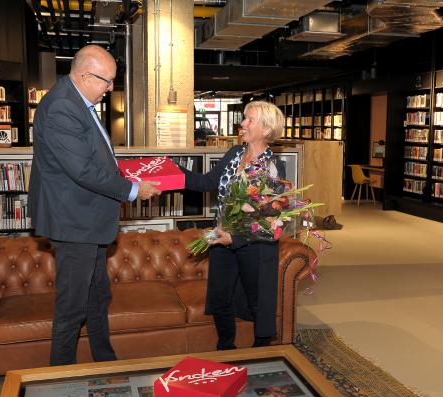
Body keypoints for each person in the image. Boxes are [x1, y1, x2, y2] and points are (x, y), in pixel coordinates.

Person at [28, 45, 161, 366]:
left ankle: (105, 360)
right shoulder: (62, 106)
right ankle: (60, 378)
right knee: (72, 307)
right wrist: (132, 189)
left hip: (87, 221)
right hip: (74, 222)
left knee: (98, 297)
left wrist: (123, 175)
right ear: (85, 75)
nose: (111, 88)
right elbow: (82, 170)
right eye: (107, 80)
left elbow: (93, 158)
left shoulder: (78, 101)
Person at [182, 100, 286, 350]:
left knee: (257, 302)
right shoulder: (234, 154)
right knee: (219, 299)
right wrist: (169, 171)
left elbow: (267, 218)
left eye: (250, 120)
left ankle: (261, 353)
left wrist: (235, 238)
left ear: (267, 130)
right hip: (221, 239)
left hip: (254, 246)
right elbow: (206, 182)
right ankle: (225, 347)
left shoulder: (272, 168)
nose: (243, 124)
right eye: (244, 118)